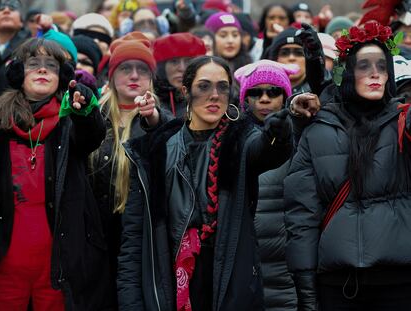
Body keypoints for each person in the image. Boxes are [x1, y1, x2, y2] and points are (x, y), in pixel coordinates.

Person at [117, 55, 293, 310]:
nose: (214, 95)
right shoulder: (156, 150)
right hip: (168, 283)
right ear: (186, 91)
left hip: (230, 289)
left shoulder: (242, 141)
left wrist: (281, 130)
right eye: (204, 86)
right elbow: (133, 239)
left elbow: (268, 150)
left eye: (223, 87)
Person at [284, 21, 411, 311]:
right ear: (347, 73)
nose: (376, 73)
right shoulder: (318, 129)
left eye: (382, 65)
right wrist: (306, 289)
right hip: (339, 286)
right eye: (364, 66)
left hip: (401, 282)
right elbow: (302, 214)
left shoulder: (404, 121)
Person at [0, 37, 113, 310]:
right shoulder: (0, 123)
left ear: (61, 77)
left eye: (51, 65)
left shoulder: (70, 119)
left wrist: (85, 111)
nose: (42, 70)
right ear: (18, 74)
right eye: (33, 64)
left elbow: (91, 136)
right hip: (5, 267)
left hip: (58, 266)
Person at [88, 31, 169, 309]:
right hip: (96, 235)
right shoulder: (93, 116)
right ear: (111, 76)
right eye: (125, 68)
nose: (134, 76)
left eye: (142, 70)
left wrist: (152, 117)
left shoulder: (161, 119)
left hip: (139, 234)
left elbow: (160, 134)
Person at [235, 60, 300, 311]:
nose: (264, 99)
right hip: (245, 261)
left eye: (273, 92)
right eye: (255, 92)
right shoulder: (231, 138)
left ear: (285, 98)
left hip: (287, 265)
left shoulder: (300, 137)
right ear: (245, 99)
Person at [153, 32, 206, 118]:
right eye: (174, 61)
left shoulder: (210, 97)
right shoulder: (151, 102)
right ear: (162, 68)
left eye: (188, 61)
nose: (182, 68)